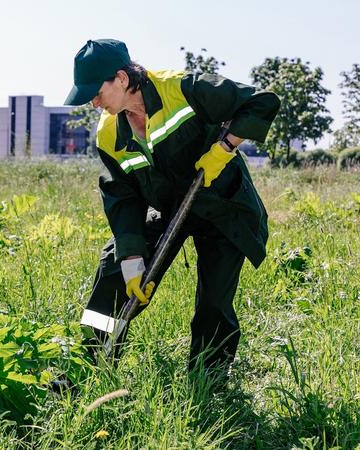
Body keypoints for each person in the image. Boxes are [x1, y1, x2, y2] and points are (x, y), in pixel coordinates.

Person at [65, 39, 280, 380]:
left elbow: (261, 102)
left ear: (121, 79)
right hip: (169, 209)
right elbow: (122, 198)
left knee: (214, 302)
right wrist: (133, 258)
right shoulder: (109, 135)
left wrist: (224, 149)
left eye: (96, 92)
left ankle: (207, 381)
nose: (93, 102)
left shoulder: (181, 88)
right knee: (113, 271)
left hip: (221, 205)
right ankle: (88, 367)